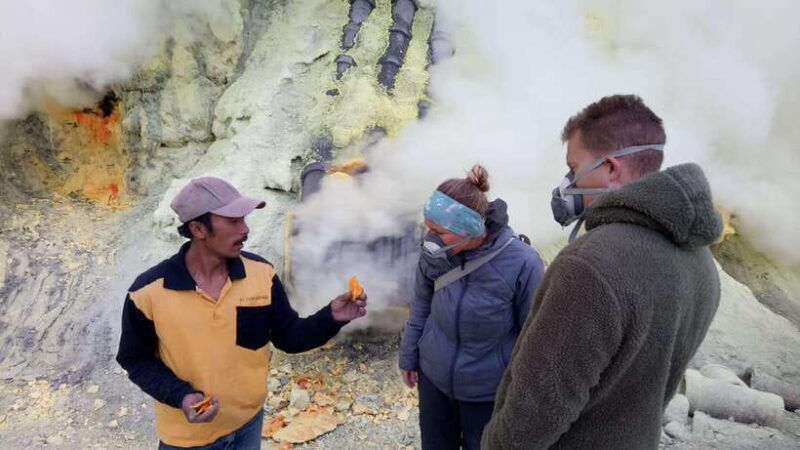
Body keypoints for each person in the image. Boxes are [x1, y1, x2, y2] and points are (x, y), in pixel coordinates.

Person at [482, 94, 722, 449]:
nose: (567, 182)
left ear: (611, 168)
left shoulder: (590, 266)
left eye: (575, 168)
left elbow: (534, 411)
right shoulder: (702, 261)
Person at [116, 177, 367, 449]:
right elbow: (136, 360)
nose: (245, 229)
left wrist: (332, 317)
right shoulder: (147, 293)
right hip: (187, 438)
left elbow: (290, 338)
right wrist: (182, 397)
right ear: (198, 228)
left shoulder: (262, 275)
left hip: (248, 422)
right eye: (233, 221)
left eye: (244, 219)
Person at [399, 165, 545, 449]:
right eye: (429, 228)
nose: (431, 239)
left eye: (440, 232)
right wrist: (409, 354)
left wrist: (523, 396)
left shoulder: (523, 263)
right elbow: (421, 302)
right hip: (434, 380)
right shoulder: (436, 252)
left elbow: (533, 335)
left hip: (486, 392)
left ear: (470, 229)